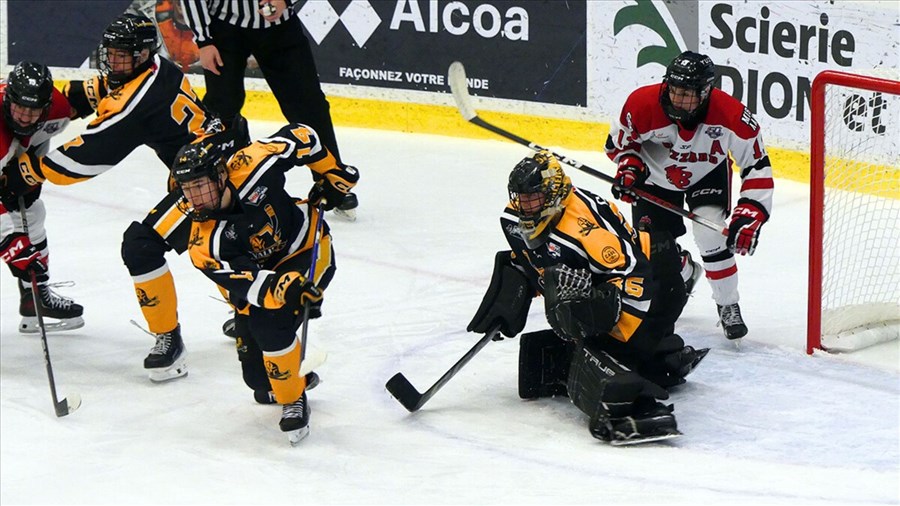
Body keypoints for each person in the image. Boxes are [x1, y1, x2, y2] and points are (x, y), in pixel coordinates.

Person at [1, 14, 217, 382]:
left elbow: (85, 157)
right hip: (213, 167)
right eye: (111, 54)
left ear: (144, 55)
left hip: (205, 180)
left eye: (121, 56)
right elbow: (94, 91)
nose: (112, 63)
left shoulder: (135, 99)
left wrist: (27, 172)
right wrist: (12, 244)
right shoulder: (156, 71)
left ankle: (183, 334)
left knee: (146, 245)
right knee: (214, 241)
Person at [467, 151, 707, 445]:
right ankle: (660, 356)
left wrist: (615, 329)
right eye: (522, 197)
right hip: (619, 270)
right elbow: (525, 259)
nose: (525, 206)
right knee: (568, 305)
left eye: (534, 198)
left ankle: (650, 377)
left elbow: (637, 277)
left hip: (656, 277)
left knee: (602, 336)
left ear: (553, 193)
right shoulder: (513, 219)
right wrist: (506, 304)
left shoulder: (585, 232)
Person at [168, 119, 357, 444]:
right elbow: (249, 285)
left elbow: (303, 135)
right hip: (264, 279)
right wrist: (286, 288)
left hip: (306, 246)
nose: (195, 198)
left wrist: (331, 172)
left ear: (221, 175)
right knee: (258, 381)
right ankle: (292, 373)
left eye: (201, 186)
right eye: (188, 190)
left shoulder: (252, 163)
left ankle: (294, 398)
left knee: (270, 324)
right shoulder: (203, 244)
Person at [605, 50, 774, 341]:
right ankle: (684, 268)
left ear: (707, 91)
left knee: (710, 235)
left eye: (689, 94)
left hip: (706, 172)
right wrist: (630, 167)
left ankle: (727, 303)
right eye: (675, 91)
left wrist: (751, 212)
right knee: (653, 249)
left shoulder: (733, 116)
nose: (679, 100)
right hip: (656, 177)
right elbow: (618, 145)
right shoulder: (640, 103)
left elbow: (756, 165)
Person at [179, 0, 360, 221]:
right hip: (224, 29)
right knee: (222, 106)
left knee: (308, 105)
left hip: (279, 29)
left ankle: (332, 181)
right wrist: (204, 40)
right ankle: (208, 186)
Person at [0, 61, 84, 333]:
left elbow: (37, 139)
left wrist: (27, 172)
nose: (25, 117)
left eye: (33, 109)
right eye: (20, 107)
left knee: (32, 214)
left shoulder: (57, 110)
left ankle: (35, 297)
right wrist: (14, 250)